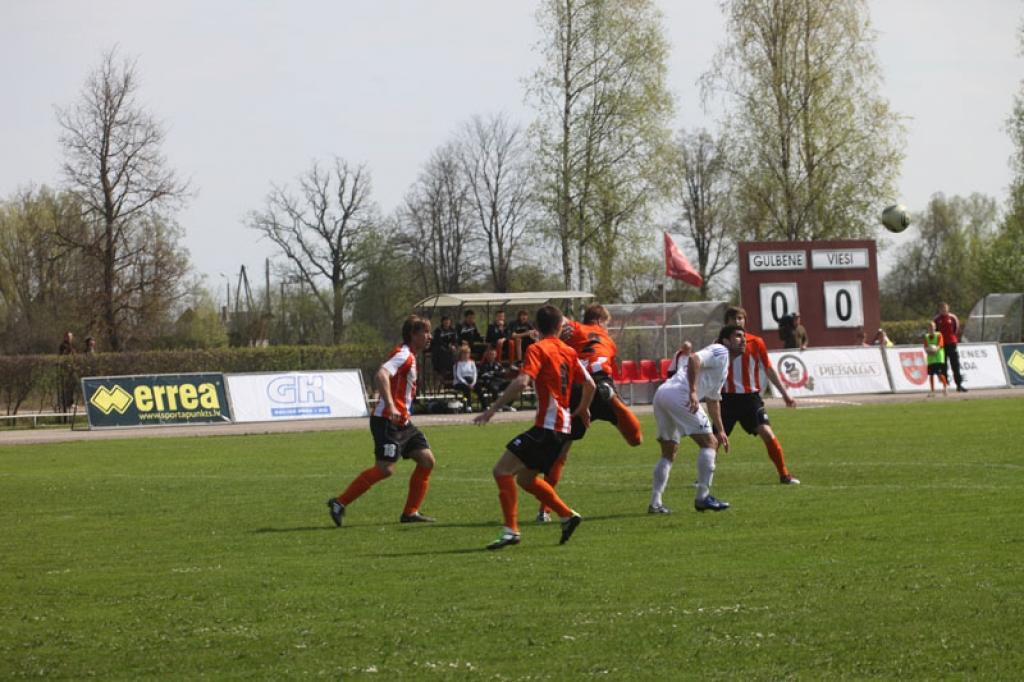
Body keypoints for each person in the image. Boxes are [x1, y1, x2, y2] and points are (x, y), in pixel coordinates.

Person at [473, 304, 596, 550]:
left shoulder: (537, 349)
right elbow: (590, 384)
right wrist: (582, 409)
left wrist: (492, 408)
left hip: (548, 426)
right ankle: (567, 515)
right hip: (562, 428)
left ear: (537, 328)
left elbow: (522, 381)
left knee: (502, 471)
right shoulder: (569, 352)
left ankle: (511, 531)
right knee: (526, 479)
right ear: (560, 326)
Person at [534, 304, 644, 523]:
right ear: (601, 320)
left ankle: (544, 510)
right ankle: (614, 400)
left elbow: (559, 319)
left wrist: (556, 328)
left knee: (561, 452)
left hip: (578, 388)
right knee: (635, 439)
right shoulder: (609, 341)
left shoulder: (575, 329)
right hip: (601, 382)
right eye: (608, 323)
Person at [327, 315, 437, 527]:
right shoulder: (403, 355)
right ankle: (339, 503)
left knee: (427, 460)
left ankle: (410, 513)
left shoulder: (410, 356)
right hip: (386, 421)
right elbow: (381, 374)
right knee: (385, 469)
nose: (429, 336)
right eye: (426, 332)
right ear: (413, 335)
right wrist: (390, 404)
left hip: (403, 423)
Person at [648, 325, 747, 514]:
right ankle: (703, 497)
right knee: (709, 443)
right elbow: (694, 358)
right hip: (680, 395)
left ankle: (655, 503)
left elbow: (713, 400)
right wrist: (693, 391)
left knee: (669, 451)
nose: (743, 340)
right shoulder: (720, 350)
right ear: (725, 340)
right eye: (738, 336)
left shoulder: (724, 366)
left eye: (744, 337)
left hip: (663, 395)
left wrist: (722, 430)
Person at [710, 306, 799, 501]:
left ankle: (784, 474)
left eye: (741, 318)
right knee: (713, 441)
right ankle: (704, 479)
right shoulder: (718, 345)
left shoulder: (756, 342)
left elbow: (768, 368)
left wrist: (785, 394)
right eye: (734, 319)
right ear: (727, 323)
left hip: (751, 398)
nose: (738, 322)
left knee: (767, 433)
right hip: (726, 399)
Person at [934, 302, 967, 392]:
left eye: (945, 308)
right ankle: (946, 385)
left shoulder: (952, 317)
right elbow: (935, 332)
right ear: (939, 310)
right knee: (943, 366)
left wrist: (952, 339)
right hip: (941, 345)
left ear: (948, 309)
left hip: (952, 343)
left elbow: (956, 328)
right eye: (942, 309)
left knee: (955, 365)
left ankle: (959, 385)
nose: (944, 310)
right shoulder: (937, 319)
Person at [476, 347, 510, 411]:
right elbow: (483, 375)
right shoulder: (483, 365)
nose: (492, 356)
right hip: (489, 383)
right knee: (494, 388)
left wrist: (493, 373)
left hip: (499, 381)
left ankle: (507, 405)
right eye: (490, 354)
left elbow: (503, 373)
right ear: (487, 355)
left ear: (495, 355)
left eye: (493, 354)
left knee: (512, 385)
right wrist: (495, 374)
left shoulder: (497, 364)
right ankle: (496, 406)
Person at [924, 320, 948, 397]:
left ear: (935, 327)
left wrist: (934, 350)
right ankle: (932, 391)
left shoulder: (939, 335)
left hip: (938, 358)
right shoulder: (926, 336)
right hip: (931, 358)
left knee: (940, 374)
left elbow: (940, 345)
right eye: (929, 327)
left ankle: (945, 387)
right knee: (931, 375)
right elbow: (925, 347)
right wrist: (928, 351)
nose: (931, 328)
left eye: (932, 326)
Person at [431, 316, 458, 381]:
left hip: (451, 348)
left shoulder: (452, 330)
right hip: (440, 348)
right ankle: (442, 372)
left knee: (456, 353)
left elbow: (455, 340)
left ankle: (454, 371)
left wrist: (453, 345)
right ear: (442, 322)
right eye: (445, 321)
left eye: (448, 321)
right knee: (443, 352)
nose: (447, 322)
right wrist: (448, 345)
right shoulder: (438, 330)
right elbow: (438, 341)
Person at [452, 344, 478, 413]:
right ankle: (468, 405)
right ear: (461, 354)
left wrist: (473, 383)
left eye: (468, 353)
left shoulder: (472, 362)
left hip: (470, 381)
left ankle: (485, 405)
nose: (466, 355)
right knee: (466, 389)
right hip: (460, 382)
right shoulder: (458, 364)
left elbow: (475, 373)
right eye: (464, 353)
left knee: (479, 388)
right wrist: (466, 384)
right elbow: (458, 376)